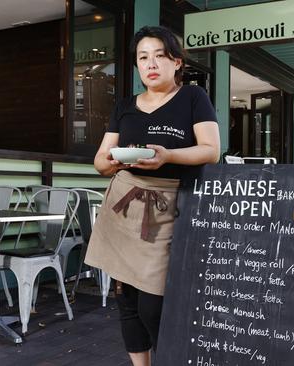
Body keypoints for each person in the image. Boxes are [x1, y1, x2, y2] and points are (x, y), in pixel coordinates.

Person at [85, 25, 220, 366]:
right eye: (143, 57)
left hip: (168, 207)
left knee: (153, 303)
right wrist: (115, 161)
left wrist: (168, 156)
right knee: (126, 300)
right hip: (123, 204)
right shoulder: (124, 106)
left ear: (176, 62)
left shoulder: (193, 98)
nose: (151, 63)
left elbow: (210, 150)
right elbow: (101, 161)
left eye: (160, 55)